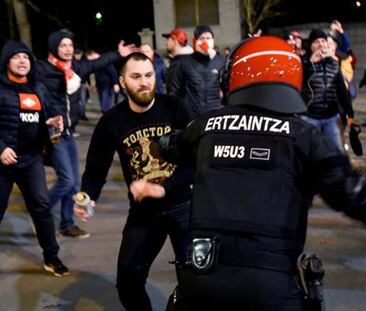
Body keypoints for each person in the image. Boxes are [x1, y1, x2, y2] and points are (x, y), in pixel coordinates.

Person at [155, 36, 366, 310]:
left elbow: (167, 146)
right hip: (272, 291)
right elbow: (354, 196)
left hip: (200, 282)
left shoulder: (205, 126)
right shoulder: (305, 137)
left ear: (234, 76)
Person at [74, 52, 193, 311]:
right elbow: (95, 170)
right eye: (136, 77)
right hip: (144, 213)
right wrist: (87, 197)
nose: (144, 82)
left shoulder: (175, 108)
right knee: (128, 282)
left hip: (183, 205)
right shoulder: (111, 122)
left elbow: (194, 161)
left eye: (149, 75)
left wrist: (162, 188)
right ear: (122, 81)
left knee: (195, 280)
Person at [0, 41, 68, 280]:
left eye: (26, 56)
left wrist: (53, 125)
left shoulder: (38, 87)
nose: (22, 61)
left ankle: (51, 257)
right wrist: (0, 149)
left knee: (42, 208)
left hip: (30, 159)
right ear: (7, 62)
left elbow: (44, 117)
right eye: (16, 57)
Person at [35, 30, 136, 238]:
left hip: (69, 133)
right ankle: (40, 213)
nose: (68, 49)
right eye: (63, 45)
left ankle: (66, 224)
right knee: (66, 180)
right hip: (53, 132)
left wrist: (117, 54)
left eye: (70, 45)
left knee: (73, 182)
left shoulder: (76, 68)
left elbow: (95, 64)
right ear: (54, 47)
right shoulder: (42, 68)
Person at [300, 29, 356, 152]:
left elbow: (342, 91)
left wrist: (350, 115)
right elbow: (299, 87)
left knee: (336, 152)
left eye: (323, 41)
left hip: (330, 117)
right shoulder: (303, 62)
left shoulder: (333, 63)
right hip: (309, 117)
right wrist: (310, 64)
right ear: (310, 46)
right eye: (316, 42)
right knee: (306, 153)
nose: (320, 44)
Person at [166, 25, 224, 119]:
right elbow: (174, 92)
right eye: (201, 38)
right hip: (192, 118)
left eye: (208, 38)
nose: (205, 41)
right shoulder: (184, 62)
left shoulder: (220, 61)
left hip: (215, 118)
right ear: (195, 41)